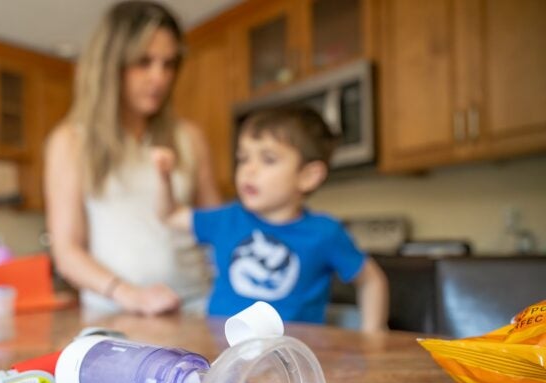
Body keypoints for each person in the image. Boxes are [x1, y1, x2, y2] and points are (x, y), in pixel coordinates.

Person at [45, 1, 220, 316]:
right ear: (111, 65)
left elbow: (219, 229)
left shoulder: (189, 138)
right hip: (114, 312)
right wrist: (129, 294)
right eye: (144, 62)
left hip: (195, 307)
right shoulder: (71, 141)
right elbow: (67, 250)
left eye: (169, 64)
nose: (159, 78)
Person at [155, 106, 389, 332]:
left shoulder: (325, 233)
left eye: (268, 159)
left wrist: (374, 332)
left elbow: (371, 280)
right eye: (244, 158)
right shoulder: (226, 219)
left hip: (290, 362)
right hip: (220, 355)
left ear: (308, 176)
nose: (249, 169)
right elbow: (170, 215)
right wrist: (164, 178)